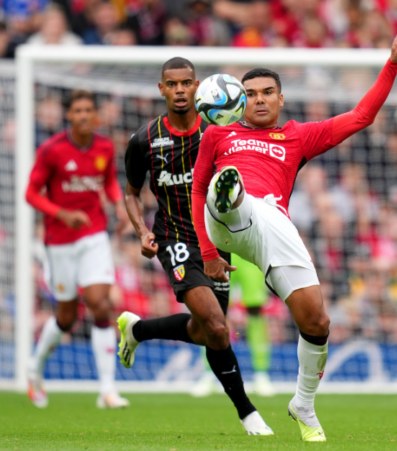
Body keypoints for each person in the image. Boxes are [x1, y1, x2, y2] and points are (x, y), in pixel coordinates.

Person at [191, 24, 397, 442]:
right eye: (251, 93)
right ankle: (233, 199)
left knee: (317, 321)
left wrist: (393, 63)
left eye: (267, 92)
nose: (259, 99)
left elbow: (360, 116)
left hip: (273, 227)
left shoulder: (296, 136)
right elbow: (196, 189)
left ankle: (303, 403)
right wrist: (206, 251)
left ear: (281, 98)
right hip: (221, 220)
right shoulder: (218, 134)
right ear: (239, 100)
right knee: (228, 185)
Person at [118, 57, 272, 436]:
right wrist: (141, 231)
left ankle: (137, 331)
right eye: (172, 84)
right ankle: (249, 414)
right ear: (162, 90)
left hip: (217, 242)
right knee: (218, 328)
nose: (180, 90)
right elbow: (131, 193)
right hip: (174, 239)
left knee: (206, 333)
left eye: (186, 83)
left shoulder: (217, 132)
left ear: (197, 85)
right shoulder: (144, 140)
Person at [26, 89, 129, 409]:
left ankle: (108, 390)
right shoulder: (52, 150)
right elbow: (31, 193)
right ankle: (34, 368)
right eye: (78, 110)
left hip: (94, 235)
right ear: (68, 115)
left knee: (100, 304)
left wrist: (117, 203)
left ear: (95, 116)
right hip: (59, 242)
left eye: (89, 110)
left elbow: (108, 181)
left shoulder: (104, 147)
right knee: (67, 317)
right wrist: (61, 214)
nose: (84, 115)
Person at [191, 253, 274, 398]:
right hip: (221, 252)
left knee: (255, 311)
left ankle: (261, 375)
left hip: (249, 253)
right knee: (214, 312)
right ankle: (209, 374)